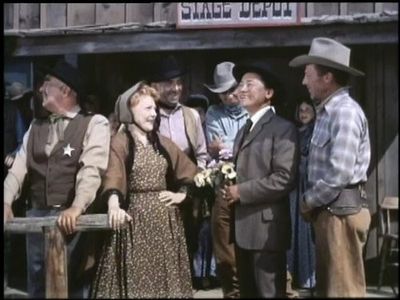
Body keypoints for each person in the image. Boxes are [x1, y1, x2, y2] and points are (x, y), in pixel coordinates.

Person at [3, 60, 111, 298]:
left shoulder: (94, 123)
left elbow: (91, 170)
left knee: (72, 283)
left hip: (72, 220)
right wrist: (6, 201)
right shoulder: (35, 126)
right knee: (38, 285)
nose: (41, 89)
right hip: (37, 218)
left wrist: (76, 206)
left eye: (47, 84)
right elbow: (18, 169)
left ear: (65, 91)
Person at [90, 81, 198, 298]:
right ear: (130, 111)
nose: (154, 114)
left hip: (165, 226)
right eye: (148, 108)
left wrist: (182, 194)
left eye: (155, 109)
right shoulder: (120, 142)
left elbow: (190, 171)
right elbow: (114, 174)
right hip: (134, 224)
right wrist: (114, 206)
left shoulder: (161, 142)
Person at [289, 37, 371, 297]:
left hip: (341, 215)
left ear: (327, 78)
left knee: (342, 292)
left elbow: (339, 173)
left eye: (308, 74)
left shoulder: (344, 112)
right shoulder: (327, 112)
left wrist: (308, 200)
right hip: (330, 214)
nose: (304, 82)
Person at [222, 61, 299, 298]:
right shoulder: (246, 128)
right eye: (240, 85)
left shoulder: (282, 128)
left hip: (267, 231)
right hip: (244, 227)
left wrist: (241, 192)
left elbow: (284, 178)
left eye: (249, 84)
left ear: (268, 93)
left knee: (269, 293)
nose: (241, 89)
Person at [147, 55, 208, 285]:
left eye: (179, 83)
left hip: (186, 195)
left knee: (186, 246)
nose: (176, 89)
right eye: (169, 83)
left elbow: (202, 154)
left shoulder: (191, 115)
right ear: (155, 87)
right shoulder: (147, 115)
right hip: (155, 194)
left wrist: (194, 184)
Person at [204, 61, 248, 298]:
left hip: (250, 184)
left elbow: (232, 147)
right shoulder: (213, 113)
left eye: (231, 90)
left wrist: (229, 147)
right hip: (224, 183)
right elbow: (218, 148)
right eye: (222, 93)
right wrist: (232, 147)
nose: (228, 96)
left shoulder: (252, 109)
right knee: (225, 249)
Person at [286, 100, 316, 295]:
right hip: (294, 186)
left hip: (309, 184)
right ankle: (293, 275)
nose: (304, 113)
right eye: (301, 109)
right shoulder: (295, 132)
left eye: (307, 109)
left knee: (307, 231)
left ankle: (309, 278)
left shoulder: (316, 131)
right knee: (293, 230)